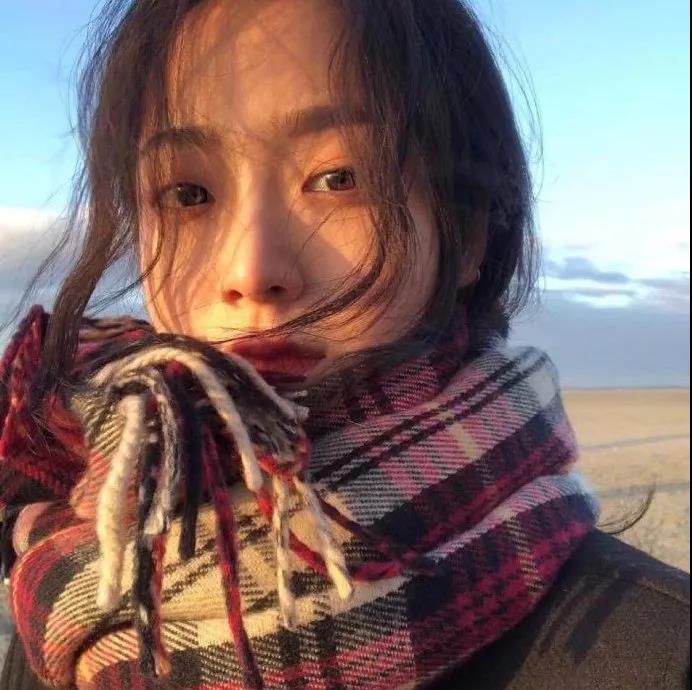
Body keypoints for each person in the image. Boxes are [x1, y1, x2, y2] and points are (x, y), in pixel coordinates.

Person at [0, 1, 688, 688]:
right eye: (188, 194)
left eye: (339, 179)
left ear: (467, 234)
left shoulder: (653, 657)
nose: (251, 269)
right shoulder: (78, 588)